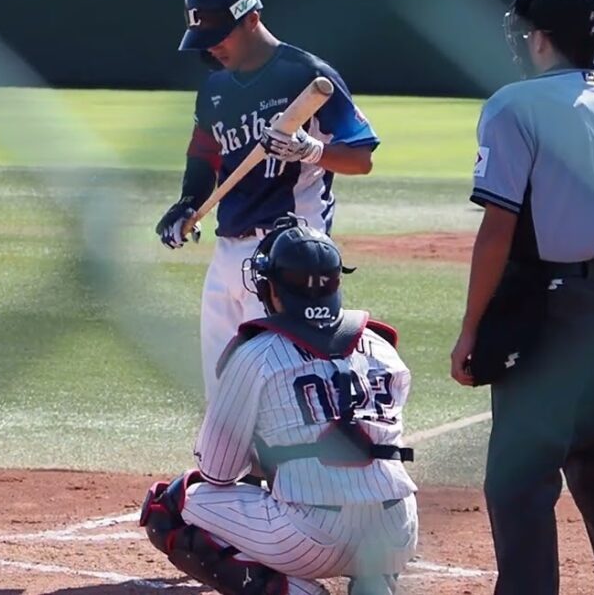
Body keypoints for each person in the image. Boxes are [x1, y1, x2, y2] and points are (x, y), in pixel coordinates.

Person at [447, 0, 594, 594]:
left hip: (545, 314)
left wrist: (471, 328)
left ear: (542, 39)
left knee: (520, 477)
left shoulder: (514, 106)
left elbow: (498, 228)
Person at [140, 214, 418, 595]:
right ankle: (376, 582)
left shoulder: (257, 354)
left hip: (310, 538)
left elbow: (217, 472)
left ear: (273, 290)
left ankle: (295, 592)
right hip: (396, 531)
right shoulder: (382, 348)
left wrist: (267, 451)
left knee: (168, 507)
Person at [154, 0, 379, 403]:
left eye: (219, 36)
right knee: (221, 390)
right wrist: (187, 203)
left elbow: (361, 157)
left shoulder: (307, 75)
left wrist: (311, 150)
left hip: (290, 257)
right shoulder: (215, 88)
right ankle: (224, 452)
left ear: (252, 19)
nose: (211, 48)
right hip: (228, 250)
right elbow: (204, 153)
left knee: (276, 389)